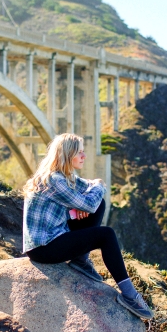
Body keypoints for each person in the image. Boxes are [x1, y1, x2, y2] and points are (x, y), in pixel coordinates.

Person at [22, 133, 154, 319]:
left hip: (55, 235)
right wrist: (95, 190)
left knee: (99, 203)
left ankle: (80, 260)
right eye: (80, 153)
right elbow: (91, 199)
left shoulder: (64, 176)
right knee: (106, 234)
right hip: (44, 248)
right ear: (67, 155)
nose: (84, 156)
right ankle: (130, 296)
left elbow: (92, 191)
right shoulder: (54, 180)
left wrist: (91, 193)